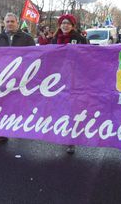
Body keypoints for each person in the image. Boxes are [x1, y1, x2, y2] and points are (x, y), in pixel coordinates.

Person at [0, 12, 35, 142]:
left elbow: (34, 57)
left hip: (21, 78)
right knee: (1, 104)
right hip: (2, 78)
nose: (9, 24)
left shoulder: (27, 38)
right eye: (7, 21)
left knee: (19, 104)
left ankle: (20, 127)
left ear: (17, 23)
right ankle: (1, 132)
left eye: (12, 21)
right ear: (4, 23)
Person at [51, 14, 88, 154]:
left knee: (72, 107)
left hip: (75, 78)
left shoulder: (80, 39)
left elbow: (88, 56)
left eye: (68, 23)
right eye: (63, 23)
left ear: (73, 26)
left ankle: (71, 140)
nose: (65, 25)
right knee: (60, 106)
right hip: (59, 78)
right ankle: (63, 131)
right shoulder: (55, 39)